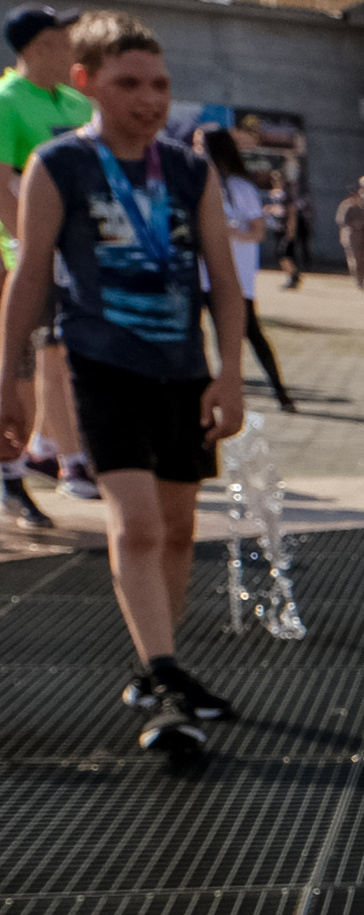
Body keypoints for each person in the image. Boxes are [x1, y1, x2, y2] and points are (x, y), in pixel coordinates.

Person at [0, 11, 246, 753]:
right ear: (87, 84)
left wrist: (229, 374)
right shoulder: (59, 165)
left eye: (161, 84)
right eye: (129, 84)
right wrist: (9, 377)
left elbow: (225, 282)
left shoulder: (189, 168)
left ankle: (156, 662)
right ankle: (164, 671)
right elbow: (31, 274)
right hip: (103, 364)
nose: (150, 99)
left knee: (177, 528)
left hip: (182, 368)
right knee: (136, 523)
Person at [0, 3, 94, 525]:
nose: (73, 50)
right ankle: (12, 473)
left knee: (60, 359)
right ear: (38, 48)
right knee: (26, 363)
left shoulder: (77, 104)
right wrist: (32, 248)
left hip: (77, 260)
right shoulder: (6, 101)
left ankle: (51, 452)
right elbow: (0, 184)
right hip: (25, 259)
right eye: (64, 41)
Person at [192, 125, 290, 412]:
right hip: (200, 274)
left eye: (201, 145)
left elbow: (257, 232)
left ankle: (280, 392)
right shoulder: (196, 183)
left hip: (235, 277)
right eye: (194, 144)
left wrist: (226, 230)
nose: (196, 150)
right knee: (194, 333)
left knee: (249, 333)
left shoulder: (240, 187)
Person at [265, 168, 304, 289]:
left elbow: (291, 212)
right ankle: (292, 276)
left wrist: (290, 230)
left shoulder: (286, 194)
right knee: (280, 255)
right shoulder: (274, 193)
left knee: (285, 255)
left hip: (285, 229)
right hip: (277, 228)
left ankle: (294, 276)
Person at [335, 177, 364, 288]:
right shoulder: (346, 205)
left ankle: (362, 279)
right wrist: (353, 223)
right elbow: (340, 220)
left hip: (361, 235)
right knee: (354, 259)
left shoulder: (361, 207)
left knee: (361, 258)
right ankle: (358, 280)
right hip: (349, 234)